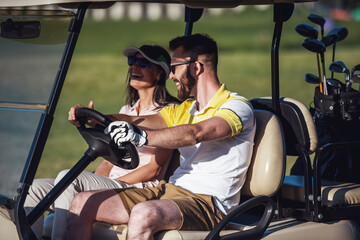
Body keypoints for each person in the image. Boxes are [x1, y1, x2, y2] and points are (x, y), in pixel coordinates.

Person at [64, 33, 256, 240]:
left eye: (174, 68)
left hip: (210, 203)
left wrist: (141, 137)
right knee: (81, 202)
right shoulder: (184, 110)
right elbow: (134, 120)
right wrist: (97, 119)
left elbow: (196, 133)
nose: (171, 76)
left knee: (143, 213)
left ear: (196, 68)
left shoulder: (236, 106)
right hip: (171, 190)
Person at [24, 45, 180, 240]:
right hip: (114, 182)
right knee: (34, 188)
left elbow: (154, 169)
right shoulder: (128, 109)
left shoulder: (169, 113)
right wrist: (95, 181)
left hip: (139, 187)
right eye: (132, 62)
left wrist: (109, 185)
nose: (134, 68)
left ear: (159, 74)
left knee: (68, 178)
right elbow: (108, 160)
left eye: (143, 63)